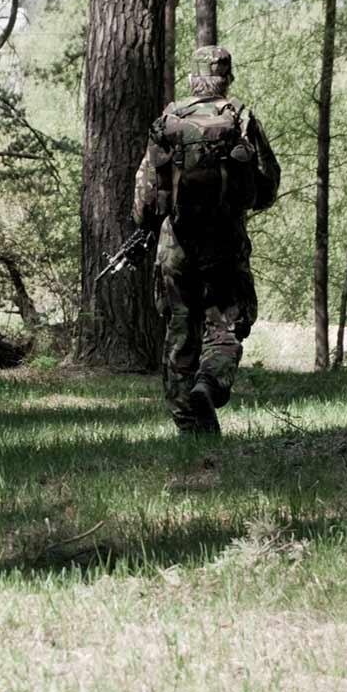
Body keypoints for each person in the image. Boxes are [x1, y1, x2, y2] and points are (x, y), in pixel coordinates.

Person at [132, 47, 280, 435]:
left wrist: (149, 221)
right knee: (226, 328)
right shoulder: (240, 118)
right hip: (225, 244)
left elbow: (146, 198)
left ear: (193, 79)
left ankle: (189, 426)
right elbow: (267, 186)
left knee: (180, 333)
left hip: (176, 246)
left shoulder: (168, 121)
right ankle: (209, 383)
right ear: (226, 78)